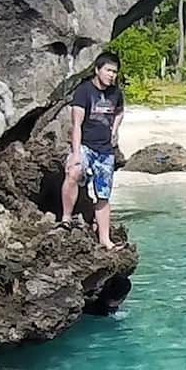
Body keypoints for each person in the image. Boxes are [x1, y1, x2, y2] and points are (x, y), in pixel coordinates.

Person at [60, 52, 126, 249]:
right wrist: (76, 154)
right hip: (85, 146)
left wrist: (114, 130)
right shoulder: (84, 91)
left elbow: (120, 111)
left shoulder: (116, 93)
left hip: (105, 151)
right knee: (73, 172)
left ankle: (105, 239)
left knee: (103, 195)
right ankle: (66, 218)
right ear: (97, 70)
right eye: (108, 70)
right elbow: (76, 125)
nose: (111, 75)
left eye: (114, 72)